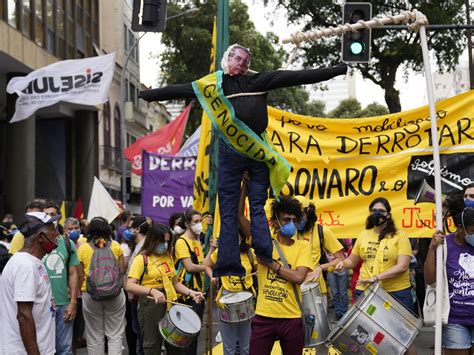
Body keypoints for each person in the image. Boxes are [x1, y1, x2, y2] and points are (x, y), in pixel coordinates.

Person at [140, 44, 348, 277]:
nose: (241, 63)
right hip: (230, 154)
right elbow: (178, 90)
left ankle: (264, 253)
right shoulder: (212, 85)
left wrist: (335, 70)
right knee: (227, 210)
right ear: (226, 59)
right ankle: (229, 264)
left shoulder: (259, 81)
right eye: (237, 58)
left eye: (246, 61)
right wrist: (148, 95)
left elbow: (297, 77)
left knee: (257, 206)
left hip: (256, 152)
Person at [335, 197, 416, 355]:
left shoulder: (400, 236)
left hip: (396, 293)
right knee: (370, 338)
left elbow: (403, 265)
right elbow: (352, 260)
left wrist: (377, 278)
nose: (377, 214)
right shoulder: (363, 235)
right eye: (373, 211)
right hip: (366, 292)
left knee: (404, 338)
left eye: (381, 211)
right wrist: (342, 264)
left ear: (388, 214)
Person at [126, 223, 205, 355]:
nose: (165, 245)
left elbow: (175, 283)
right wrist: (152, 291)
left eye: (167, 241)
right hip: (151, 305)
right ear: (153, 240)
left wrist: (191, 293)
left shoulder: (167, 257)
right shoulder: (141, 259)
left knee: (175, 344)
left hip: (171, 303)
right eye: (162, 241)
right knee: (152, 345)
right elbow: (129, 285)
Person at [249, 195, 312, 354]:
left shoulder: (303, 246)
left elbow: (298, 278)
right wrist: (245, 186)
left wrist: (271, 263)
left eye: (293, 219)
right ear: (275, 222)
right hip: (264, 316)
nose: (291, 223)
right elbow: (239, 216)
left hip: (291, 317)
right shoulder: (264, 242)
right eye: (286, 219)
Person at [0, 212, 60, 354]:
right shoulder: (25, 266)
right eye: (52, 229)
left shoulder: (33, 262)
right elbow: (24, 315)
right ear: (40, 237)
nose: (57, 233)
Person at [424, 195, 474, 354]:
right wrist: (432, 249)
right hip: (455, 318)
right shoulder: (444, 245)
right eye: (473, 231)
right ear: (460, 227)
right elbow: (430, 279)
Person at [77, 217, 126, 355]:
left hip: (91, 295)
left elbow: (80, 275)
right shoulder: (116, 246)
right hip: (115, 294)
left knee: (94, 335)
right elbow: (122, 270)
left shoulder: (83, 248)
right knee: (115, 334)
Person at [204, 233, 257, 355]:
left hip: (246, 298)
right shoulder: (221, 252)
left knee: (245, 347)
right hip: (226, 298)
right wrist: (212, 276)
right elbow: (206, 264)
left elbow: (259, 269)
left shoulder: (250, 253)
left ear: (242, 237)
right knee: (229, 348)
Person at [292, 195, 345, 310]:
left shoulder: (322, 231)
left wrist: (321, 268)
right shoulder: (288, 232)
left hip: (315, 289)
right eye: (293, 217)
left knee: (318, 326)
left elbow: (341, 259)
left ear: (308, 213)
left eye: (300, 216)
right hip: (292, 290)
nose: (296, 220)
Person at [174, 209, 213, 355]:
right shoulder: (181, 242)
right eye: (195, 222)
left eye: (199, 221)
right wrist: (206, 268)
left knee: (195, 332)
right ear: (186, 224)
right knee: (185, 334)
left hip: (199, 291)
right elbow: (190, 267)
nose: (198, 225)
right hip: (186, 293)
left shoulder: (196, 241)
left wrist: (212, 248)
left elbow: (204, 262)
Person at [42, 213, 80, 355]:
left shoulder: (67, 243)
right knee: (44, 348)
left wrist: (73, 302)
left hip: (63, 303)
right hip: (42, 305)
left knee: (64, 348)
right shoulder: (37, 244)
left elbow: (73, 273)